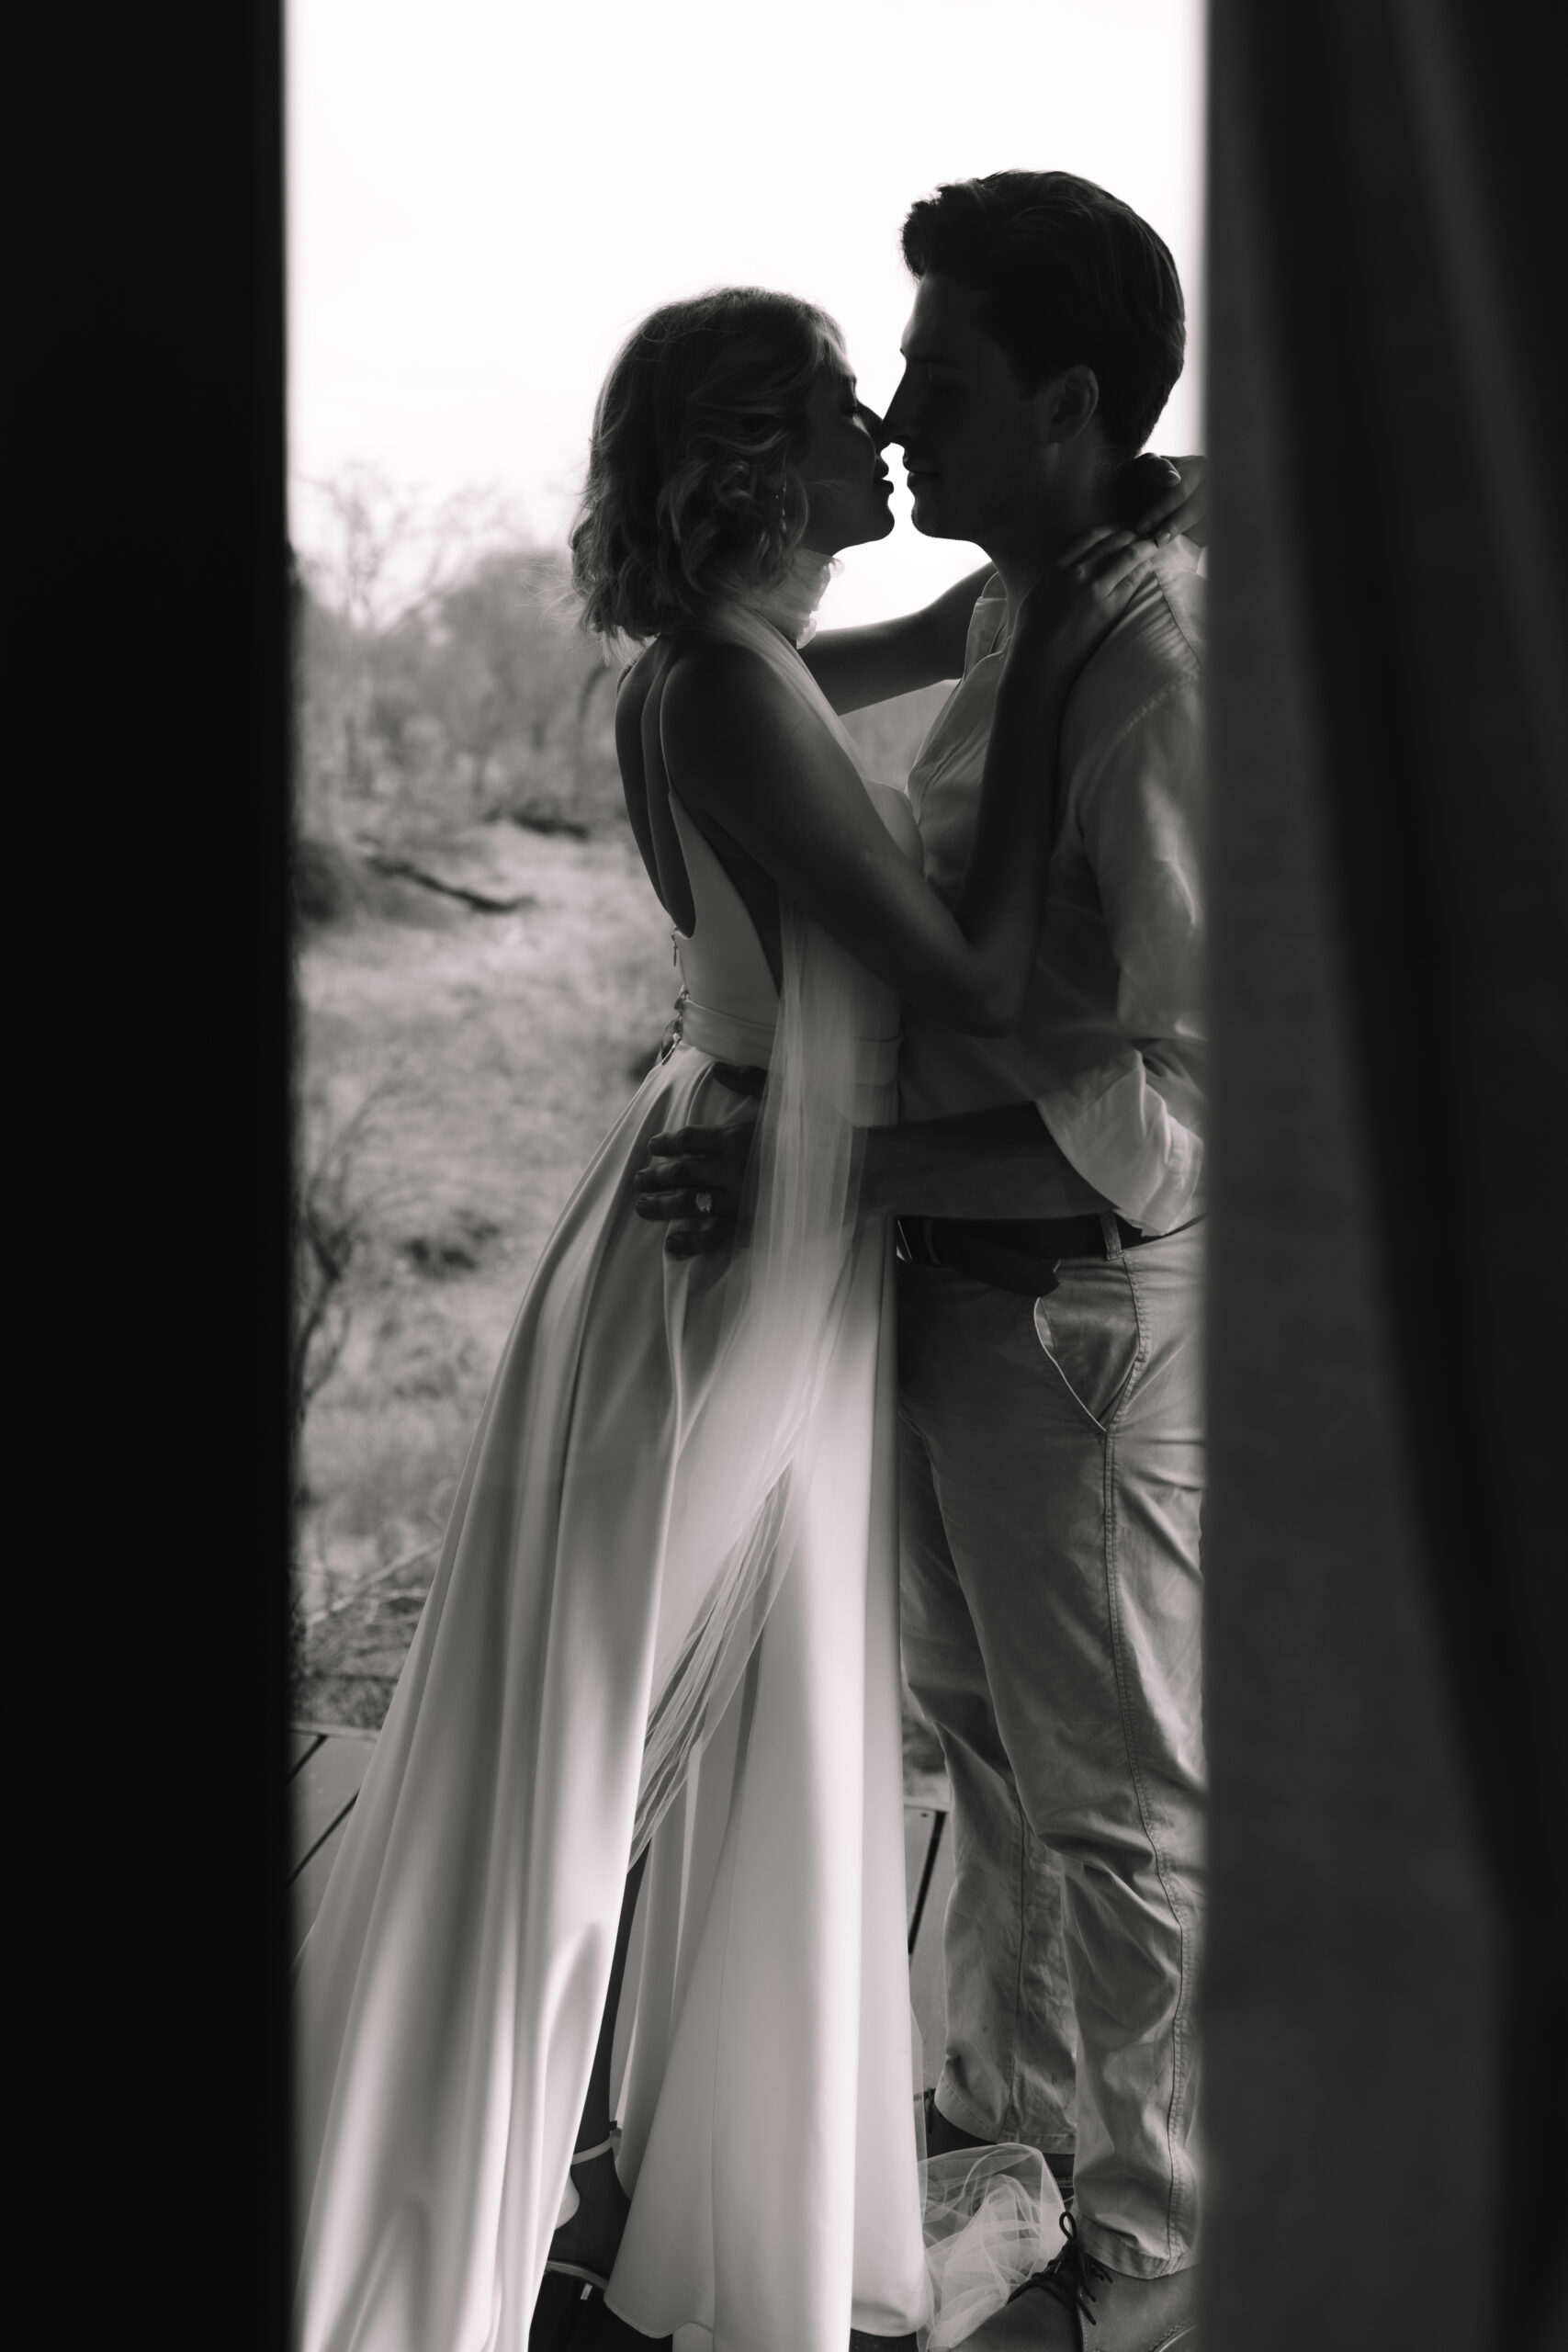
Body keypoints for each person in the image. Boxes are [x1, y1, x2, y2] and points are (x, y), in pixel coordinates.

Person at [290, 282, 1167, 2352]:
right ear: (756, 457)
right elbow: (964, 975)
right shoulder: (726, 695)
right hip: (737, 1227)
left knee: (737, 1702)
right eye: (849, 410)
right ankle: (432, 2196)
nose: (883, 436)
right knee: (600, 1713)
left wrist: (1100, 541)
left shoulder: (735, 662)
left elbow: (965, 635)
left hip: (749, 1190)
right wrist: (1063, 649)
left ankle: (710, 2173)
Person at [637, 173, 1207, 2352]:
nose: (896, 413)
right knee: (983, 1746)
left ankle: (1149, 2246)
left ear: (1062, 402)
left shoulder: (1140, 665)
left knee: (1121, 1798)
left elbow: (1193, 1054)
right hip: (954, 1292)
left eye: (936, 379)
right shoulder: (1016, 609)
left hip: (1068, 1303)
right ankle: (1015, 2144)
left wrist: (830, 1169)